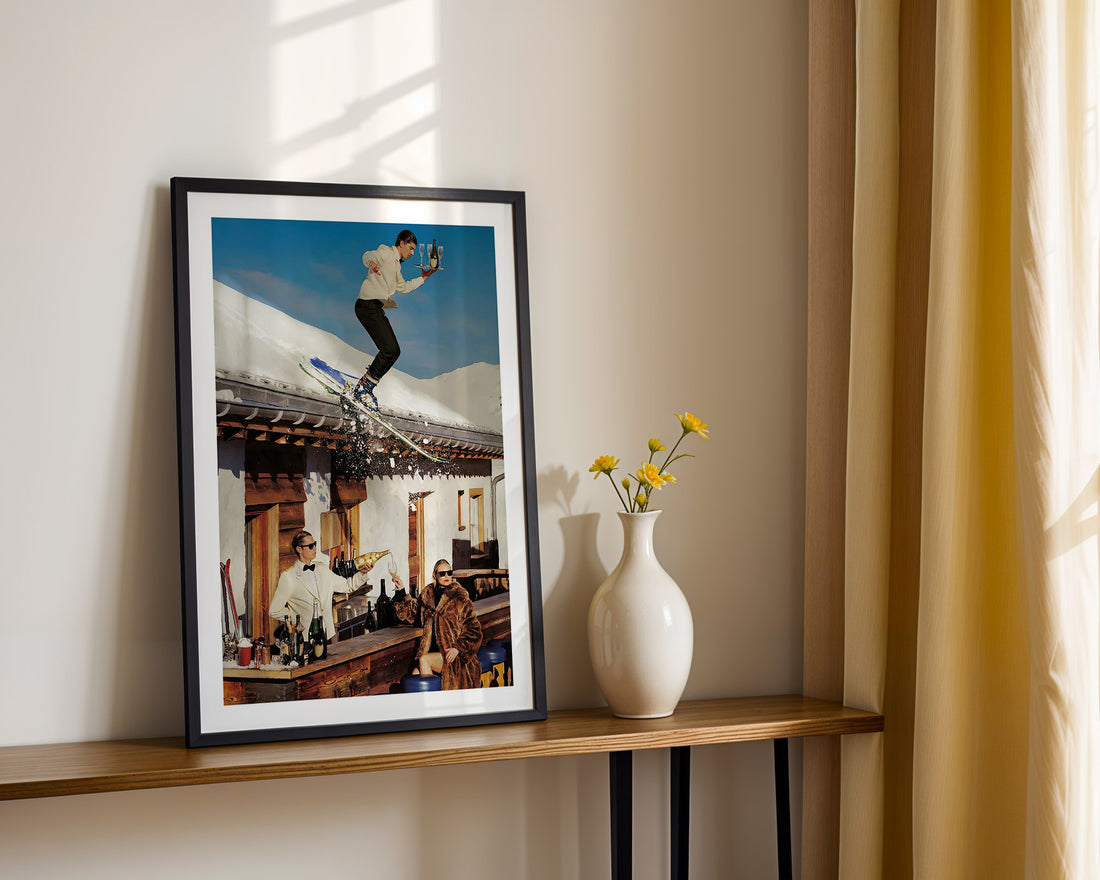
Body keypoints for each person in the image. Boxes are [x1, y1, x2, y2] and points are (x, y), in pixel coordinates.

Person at [352, 229, 438, 409]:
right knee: (390, 349)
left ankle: (366, 387)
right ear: (401, 243)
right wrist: (372, 263)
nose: (413, 253)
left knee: (394, 351)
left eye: (414, 249)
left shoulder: (396, 266)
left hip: (374, 308)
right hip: (367, 306)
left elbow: (404, 287)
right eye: (411, 248)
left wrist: (423, 278)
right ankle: (363, 390)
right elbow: (367, 255)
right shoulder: (385, 252)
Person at [268, 530, 377, 643]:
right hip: (305, 637)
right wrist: (298, 618)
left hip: (328, 634)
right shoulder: (288, 577)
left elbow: (347, 586)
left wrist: (363, 573)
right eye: (310, 546)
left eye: (315, 544)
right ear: (299, 549)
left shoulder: (322, 569)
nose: (315, 548)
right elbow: (274, 611)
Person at [413, 559, 483, 690]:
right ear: (435, 575)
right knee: (414, 676)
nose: (446, 576)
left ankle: (434, 704)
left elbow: (474, 630)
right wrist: (400, 590)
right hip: (434, 653)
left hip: (454, 656)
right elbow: (414, 613)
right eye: (442, 573)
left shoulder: (459, 597)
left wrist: (458, 648)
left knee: (424, 660)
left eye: (449, 573)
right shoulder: (427, 596)